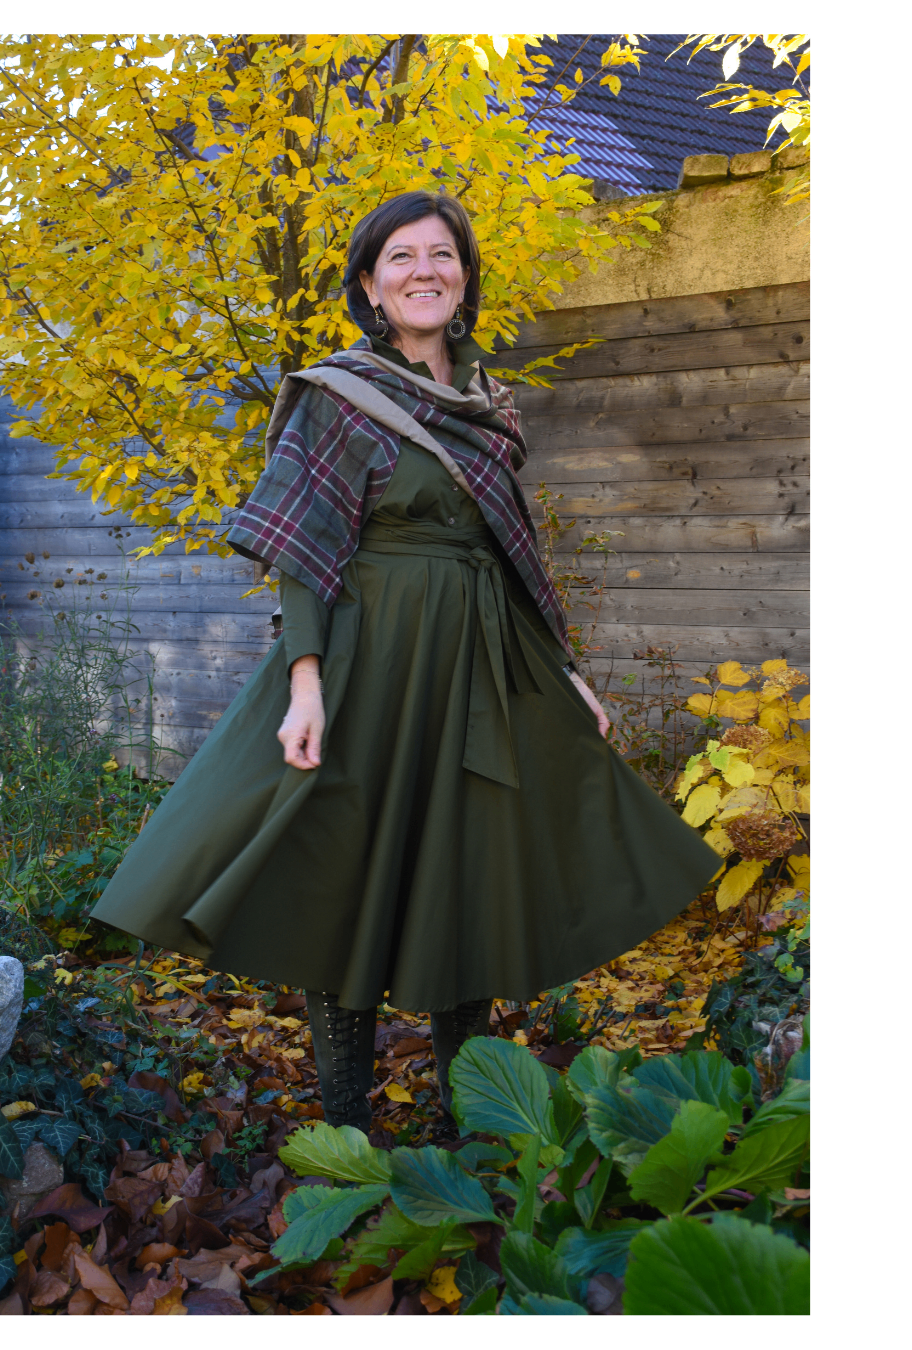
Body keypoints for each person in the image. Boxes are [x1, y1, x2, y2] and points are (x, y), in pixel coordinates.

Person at [90, 191, 721, 1134]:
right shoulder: (335, 394)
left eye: (442, 255)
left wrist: (566, 669)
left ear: (463, 278)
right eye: (401, 257)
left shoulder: (489, 403)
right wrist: (306, 684)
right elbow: (304, 552)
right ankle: (348, 1127)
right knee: (347, 870)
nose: (424, 270)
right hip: (368, 658)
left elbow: (510, 556)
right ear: (370, 286)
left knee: (467, 871)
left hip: (480, 665)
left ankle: (468, 1124)